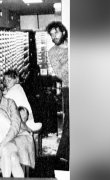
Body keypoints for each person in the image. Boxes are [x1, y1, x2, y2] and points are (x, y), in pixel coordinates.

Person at [0, 83, 35, 178]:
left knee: (5, 150)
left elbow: (15, 126)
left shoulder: (10, 103)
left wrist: (1, 145)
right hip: (6, 141)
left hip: (20, 137)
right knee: (13, 158)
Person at [46, 21, 69, 167]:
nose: (54, 36)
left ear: (63, 32)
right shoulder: (52, 52)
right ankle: (63, 156)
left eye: (56, 32)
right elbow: (61, 73)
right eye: (51, 34)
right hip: (70, 88)